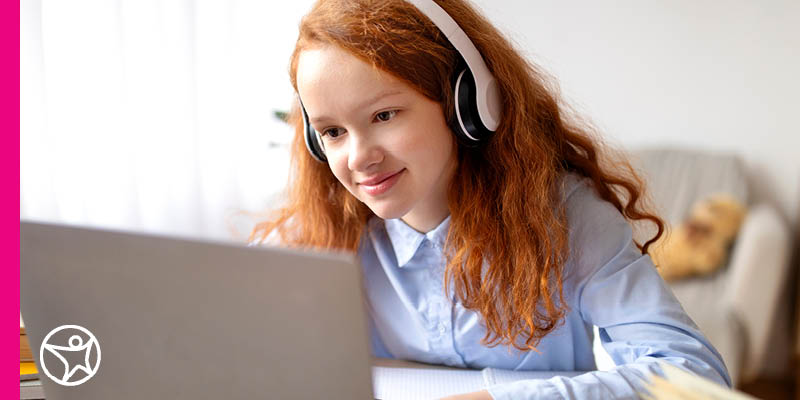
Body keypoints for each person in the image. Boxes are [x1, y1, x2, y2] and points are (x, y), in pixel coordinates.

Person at [250, 0, 731, 398]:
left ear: (469, 106)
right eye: (332, 131)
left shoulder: (566, 216)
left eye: (384, 115)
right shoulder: (323, 230)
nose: (359, 158)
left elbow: (691, 376)